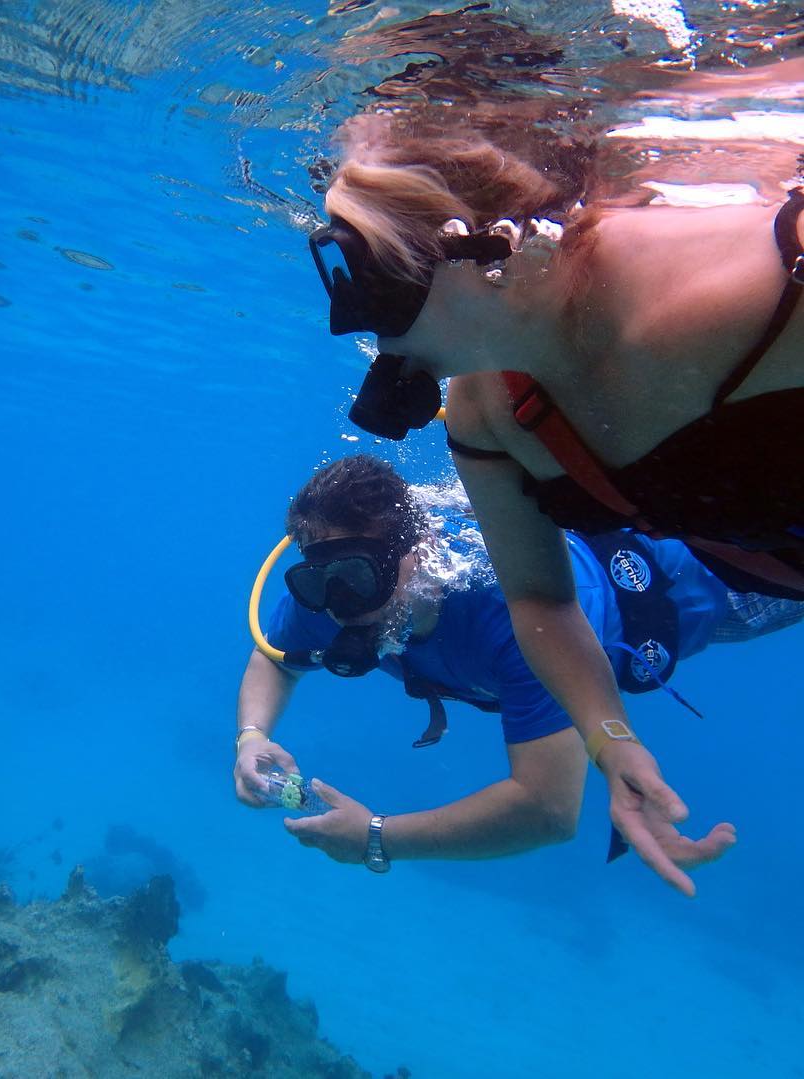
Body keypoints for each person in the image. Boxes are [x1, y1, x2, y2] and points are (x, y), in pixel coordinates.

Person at [303, 66, 804, 893]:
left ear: (486, 255)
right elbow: (540, 599)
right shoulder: (488, 411)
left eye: (370, 279)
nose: (350, 318)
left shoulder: (754, 285)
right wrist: (613, 741)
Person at [235, 456, 800, 872]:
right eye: (315, 584)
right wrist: (251, 736)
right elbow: (277, 658)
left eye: (357, 578)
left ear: (423, 551)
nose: (338, 608)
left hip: (729, 582)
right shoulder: (338, 596)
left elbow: (548, 808)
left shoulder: (511, 618)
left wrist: (377, 836)